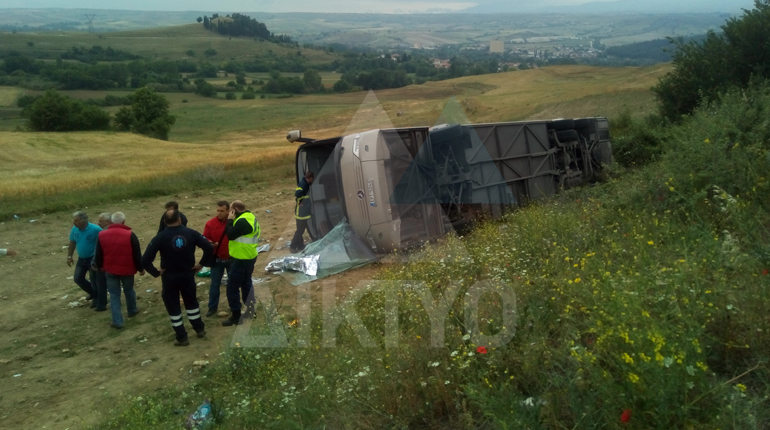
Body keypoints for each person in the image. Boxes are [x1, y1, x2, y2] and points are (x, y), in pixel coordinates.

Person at [142, 209, 214, 346]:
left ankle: (181, 337)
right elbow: (209, 248)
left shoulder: (160, 237)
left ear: (164, 221)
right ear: (180, 219)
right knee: (192, 303)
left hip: (169, 277)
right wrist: (201, 264)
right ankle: (199, 329)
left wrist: (156, 272)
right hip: (188, 274)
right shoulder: (191, 233)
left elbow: (145, 260)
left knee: (173, 306)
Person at [94, 212, 144, 329]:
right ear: (124, 221)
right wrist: (140, 268)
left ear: (111, 222)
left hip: (110, 270)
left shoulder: (102, 235)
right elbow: (137, 255)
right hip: (127, 270)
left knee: (114, 295)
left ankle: (117, 321)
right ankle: (132, 309)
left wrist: (101, 266)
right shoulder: (130, 235)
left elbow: (98, 254)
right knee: (129, 290)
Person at [222, 200, 260, 327]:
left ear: (235, 210)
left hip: (241, 258)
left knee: (232, 287)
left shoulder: (242, 221)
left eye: (231, 211)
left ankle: (236, 316)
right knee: (246, 283)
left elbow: (231, 234)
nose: (229, 213)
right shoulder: (250, 217)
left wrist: (229, 220)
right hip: (249, 255)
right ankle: (250, 310)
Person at [202, 200, 231, 317]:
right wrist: (209, 242)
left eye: (222, 211)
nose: (219, 213)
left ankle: (234, 306)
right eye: (218, 211)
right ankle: (212, 307)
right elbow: (204, 238)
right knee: (214, 285)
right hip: (217, 260)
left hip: (231, 259)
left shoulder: (233, 223)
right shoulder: (210, 224)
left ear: (228, 211)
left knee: (232, 284)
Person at [67, 211, 101, 308]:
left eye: (76, 221)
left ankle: (97, 299)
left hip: (92, 259)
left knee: (94, 280)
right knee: (78, 278)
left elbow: (102, 242)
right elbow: (72, 242)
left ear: (83, 221)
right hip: (82, 259)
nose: (74, 223)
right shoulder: (75, 229)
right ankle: (93, 293)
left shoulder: (95, 229)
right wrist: (69, 256)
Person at [90, 213, 112, 312]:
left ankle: (101, 304)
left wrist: (95, 262)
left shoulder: (102, 234)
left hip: (103, 264)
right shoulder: (116, 232)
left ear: (108, 222)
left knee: (101, 285)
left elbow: (98, 250)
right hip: (113, 263)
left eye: (100, 221)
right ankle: (116, 301)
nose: (98, 223)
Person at [290, 171, 315, 253]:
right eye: (312, 179)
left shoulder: (306, 184)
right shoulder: (303, 184)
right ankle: (293, 246)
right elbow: (297, 194)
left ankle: (300, 245)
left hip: (304, 212)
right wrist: (301, 202)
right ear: (310, 178)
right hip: (301, 213)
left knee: (301, 230)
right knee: (300, 231)